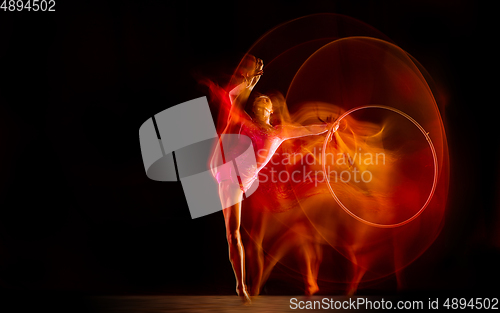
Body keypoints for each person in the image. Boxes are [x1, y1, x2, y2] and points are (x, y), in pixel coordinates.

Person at [211, 56, 337, 302]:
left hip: (246, 180)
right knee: (233, 234)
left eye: (265, 100)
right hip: (229, 176)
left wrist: (330, 127)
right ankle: (241, 287)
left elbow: (309, 129)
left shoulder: (280, 133)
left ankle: (247, 284)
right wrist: (246, 85)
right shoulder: (247, 123)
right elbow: (231, 99)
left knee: (248, 233)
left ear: (271, 110)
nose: (261, 101)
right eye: (258, 99)